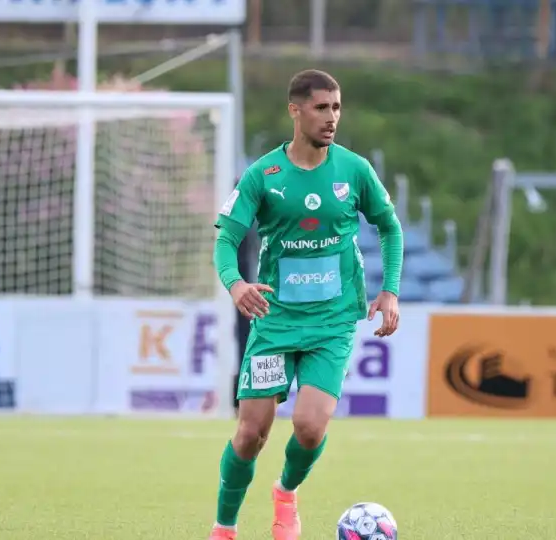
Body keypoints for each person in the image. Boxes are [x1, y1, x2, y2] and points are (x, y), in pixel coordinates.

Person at [209, 69, 404, 540]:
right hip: (275, 322)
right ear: (295, 111)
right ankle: (224, 528)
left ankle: (286, 493)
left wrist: (390, 289)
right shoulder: (263, 175)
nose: (332, 117)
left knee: (310, 427)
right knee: (250, 434)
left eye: (337, 107)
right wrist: (236, 284)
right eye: (321, 107)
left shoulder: (355, 170)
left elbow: (390, 228)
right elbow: (226, 239)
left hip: (333, 320)